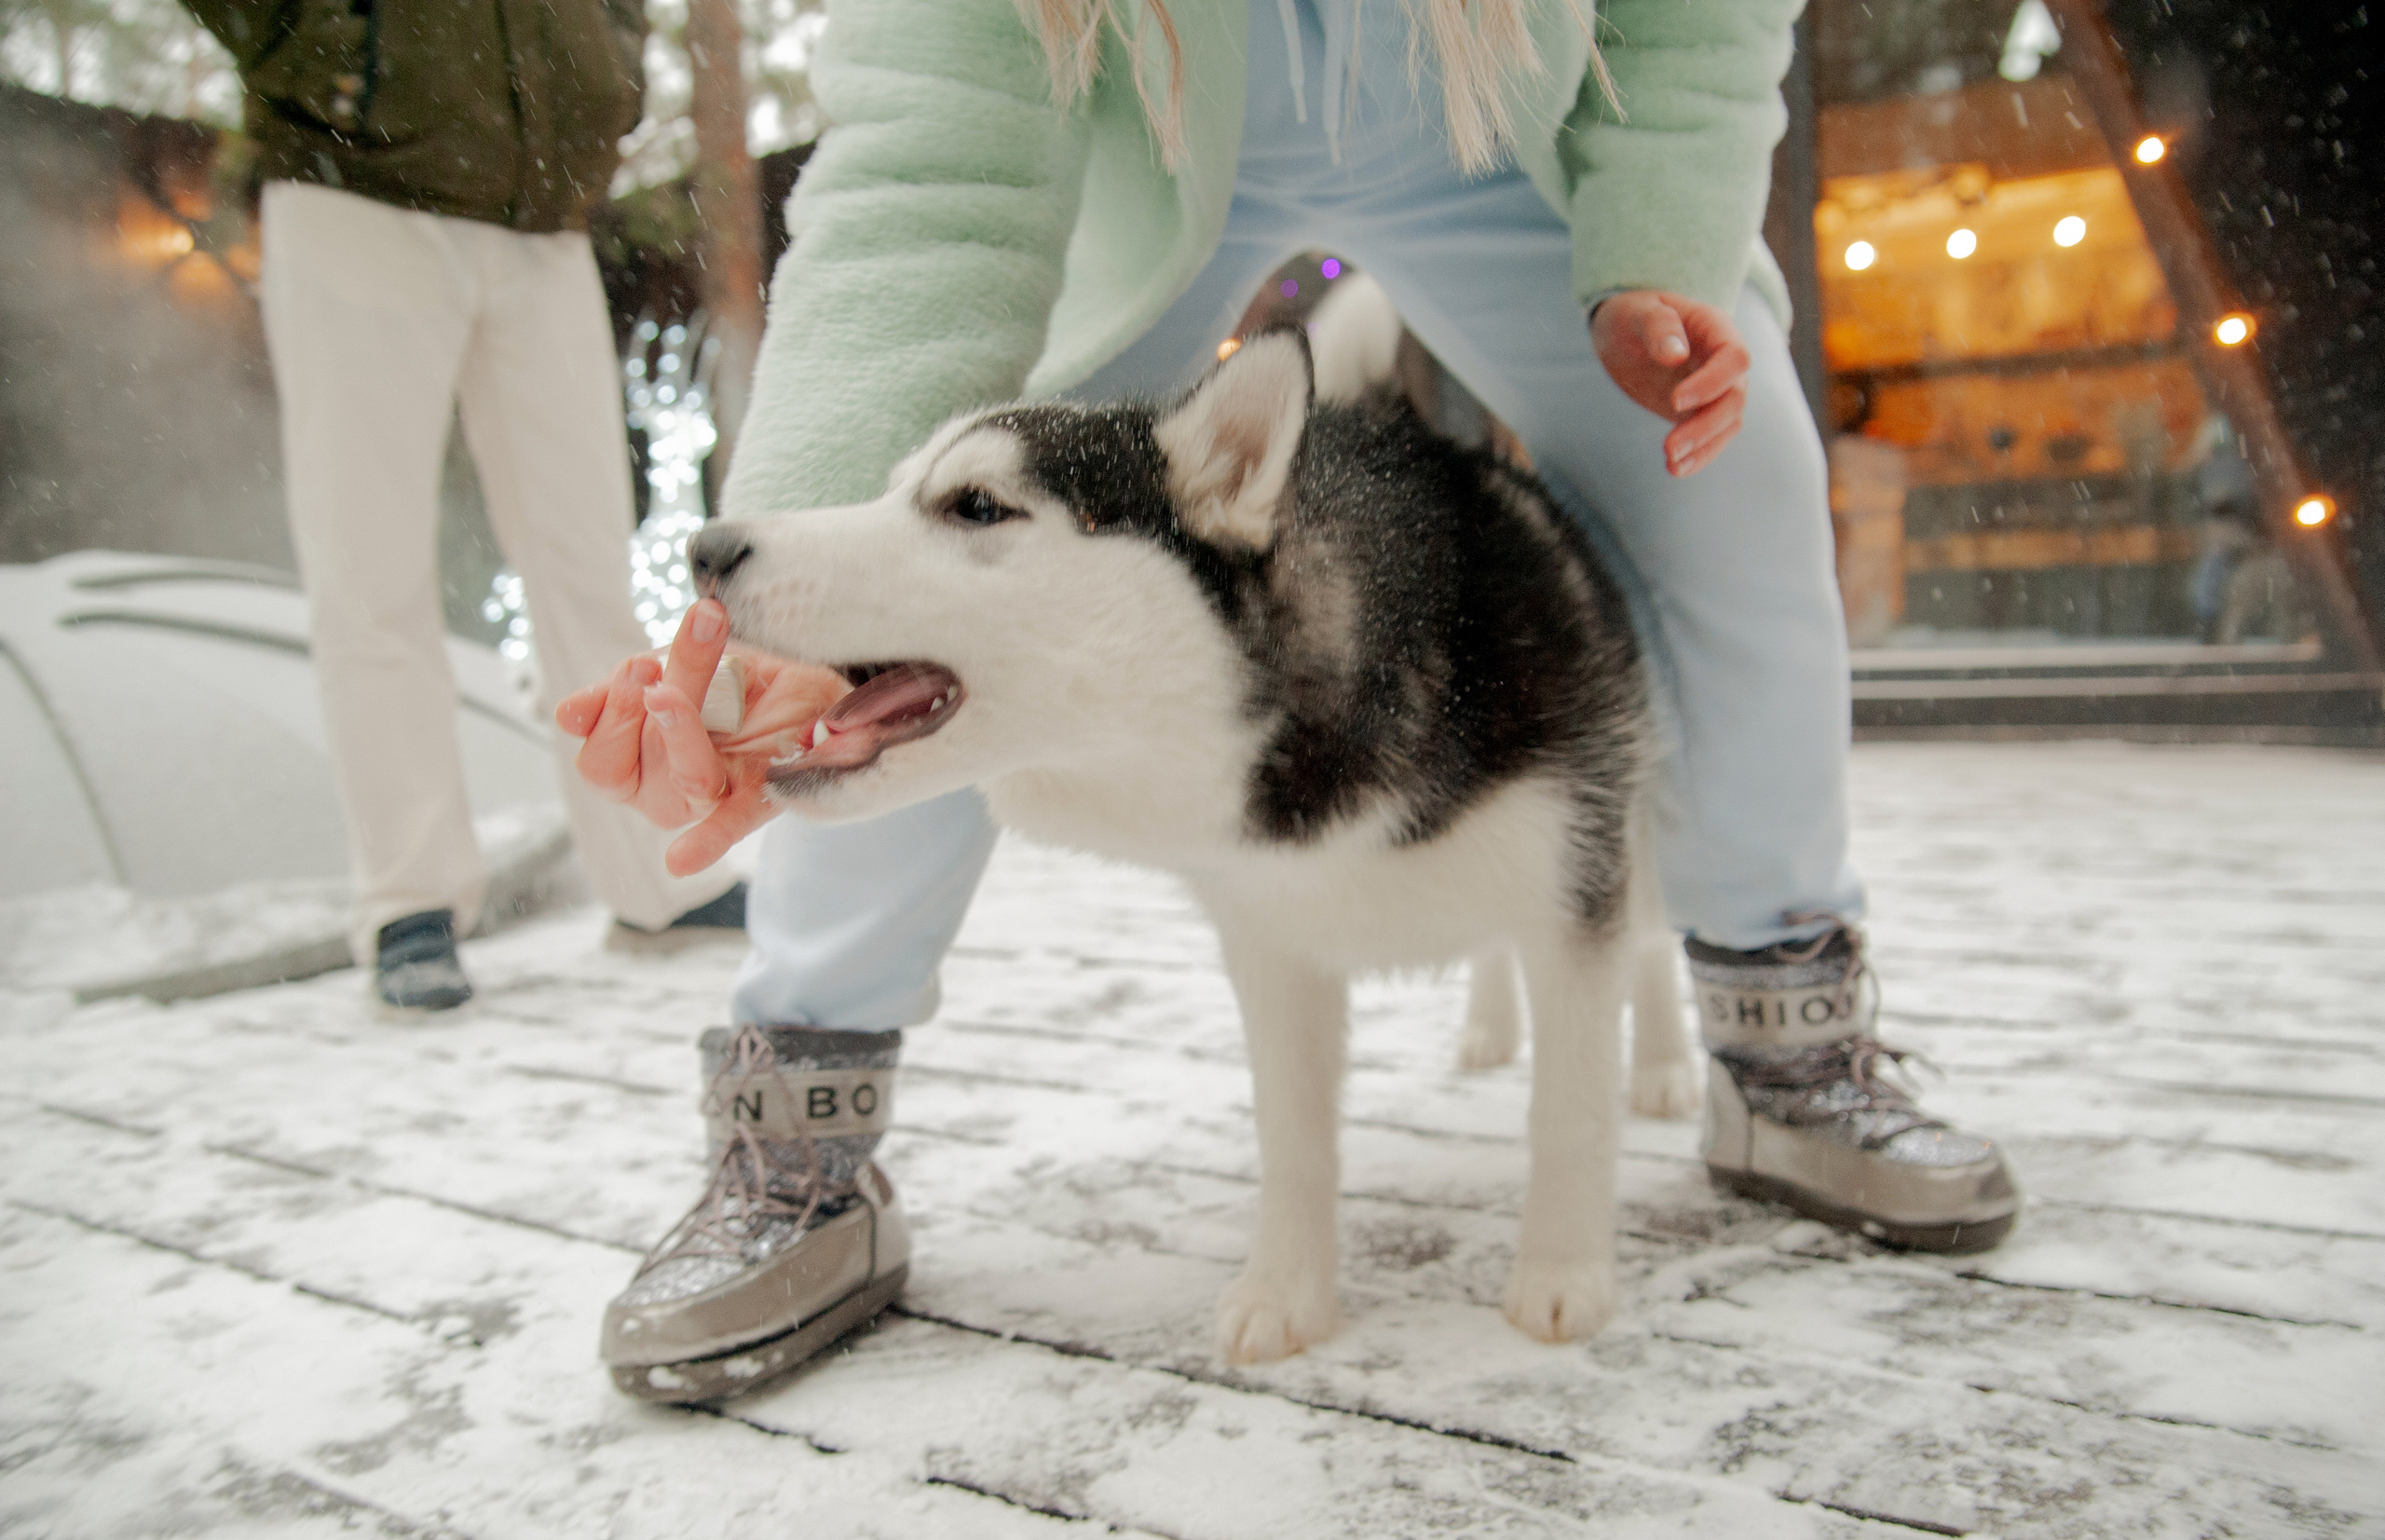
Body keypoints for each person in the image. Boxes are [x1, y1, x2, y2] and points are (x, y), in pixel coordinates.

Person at [563, 0, 2021, 1400]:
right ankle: (798, 1128)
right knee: (938, 595)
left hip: (1525, 98)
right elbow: (922, 186)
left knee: (1738, 465)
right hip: (1129, 110)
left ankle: (1788, 1039)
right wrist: (768, 649)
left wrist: (1662, 238)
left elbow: (1693, 18)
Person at [183, 0, 748, 1010]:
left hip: (539, 217)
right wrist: (337, 57)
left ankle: (659, 874)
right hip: (355, 189)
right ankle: (411, 900)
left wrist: (602, 79)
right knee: (368, 565)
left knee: (585, 566)